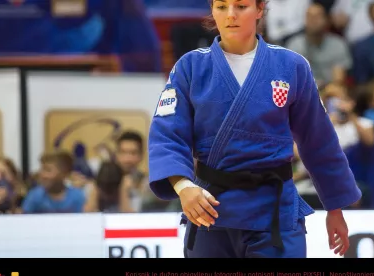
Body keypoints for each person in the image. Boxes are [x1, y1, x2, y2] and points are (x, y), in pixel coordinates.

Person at [148, 0, 361, 258]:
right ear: (212, 10)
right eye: (222, 7)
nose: (231, 15)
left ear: (259, 10)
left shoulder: (291, 66)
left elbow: (318, 140)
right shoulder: (190, 67)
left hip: (274, 211)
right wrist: (183, 187)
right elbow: (167, 134)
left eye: (241, 6)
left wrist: (335, 209)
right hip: (209, 210)